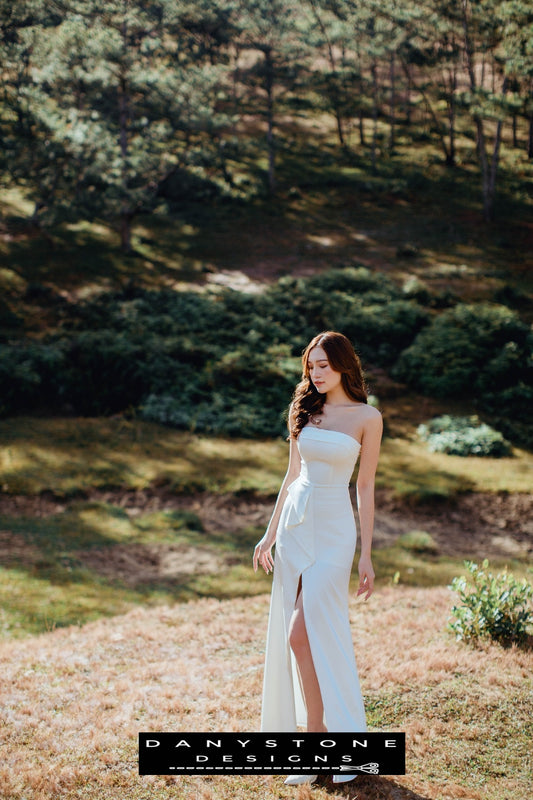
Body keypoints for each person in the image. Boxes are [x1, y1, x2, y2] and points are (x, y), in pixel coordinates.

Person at [253, 330, 382, 786]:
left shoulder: (368, 417)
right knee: (297, 637)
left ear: (344, 365)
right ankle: (314, 746)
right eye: (311, 365)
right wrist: (268, 536)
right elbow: (291, 475)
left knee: (313, 631)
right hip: (295, 526)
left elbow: (364, 488)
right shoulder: (304, 410)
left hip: (334, 528)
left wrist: (366, 554)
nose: (316, 373)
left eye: (324, 365)